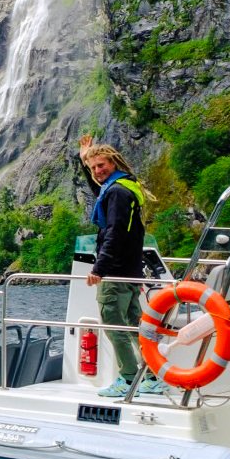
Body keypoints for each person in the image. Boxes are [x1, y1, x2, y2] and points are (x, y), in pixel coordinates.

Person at [79, 134, 161, 397]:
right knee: (134, 323)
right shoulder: (124, 188)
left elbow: (114, 233)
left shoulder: (116, 192)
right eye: (93, 168)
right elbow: (100, 192)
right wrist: (85, 161)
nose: (97, 171)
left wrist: (99, 269)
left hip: (115, 271)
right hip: (130, 269)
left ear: (114, 163)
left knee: (115, 325)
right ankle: (152, 375)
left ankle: (127, 378)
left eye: (101, 165)